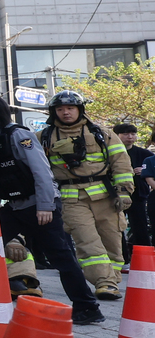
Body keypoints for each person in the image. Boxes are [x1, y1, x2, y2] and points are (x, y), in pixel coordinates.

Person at [0, 91, 103, 324]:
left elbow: (42, 172)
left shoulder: (19, 135)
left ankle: (88, 308)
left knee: (61, 257)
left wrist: (46, 206)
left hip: (39, 206)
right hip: (14, 206)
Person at [39, 90, 133, 299]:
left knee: (112, 241)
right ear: (53, 112)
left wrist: (124, 192)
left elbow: (121, 164)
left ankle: (112, 278)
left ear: (80, 110)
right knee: (87, 241)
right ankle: (104, 282)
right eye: (60, 109)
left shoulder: (104, 133)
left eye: (70, 108)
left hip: (106, 198)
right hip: (71, 198)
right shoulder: (44, 137)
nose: (65, 113)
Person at [114, 123, 151, 263]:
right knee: (117, 228)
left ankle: (145, 260)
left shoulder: (144, 154)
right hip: (116, 196)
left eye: (133, 134)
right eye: (126, 134)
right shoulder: (111, 153)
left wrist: (145, 172)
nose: (130, 137)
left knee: (140, 228)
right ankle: (122, 259)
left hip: (138, 196)